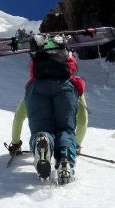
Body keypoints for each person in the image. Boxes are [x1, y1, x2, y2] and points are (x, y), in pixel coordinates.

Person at [6, 35, 88, 185]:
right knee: (65, 130)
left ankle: (41, 139)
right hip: (65, 88)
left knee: (41, 128)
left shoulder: (33, 84)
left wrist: (15, 144)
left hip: (36, 90)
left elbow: (19, 117)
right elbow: (82, 121)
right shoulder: (73, 84)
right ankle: (65, 156)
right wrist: (75, 145)